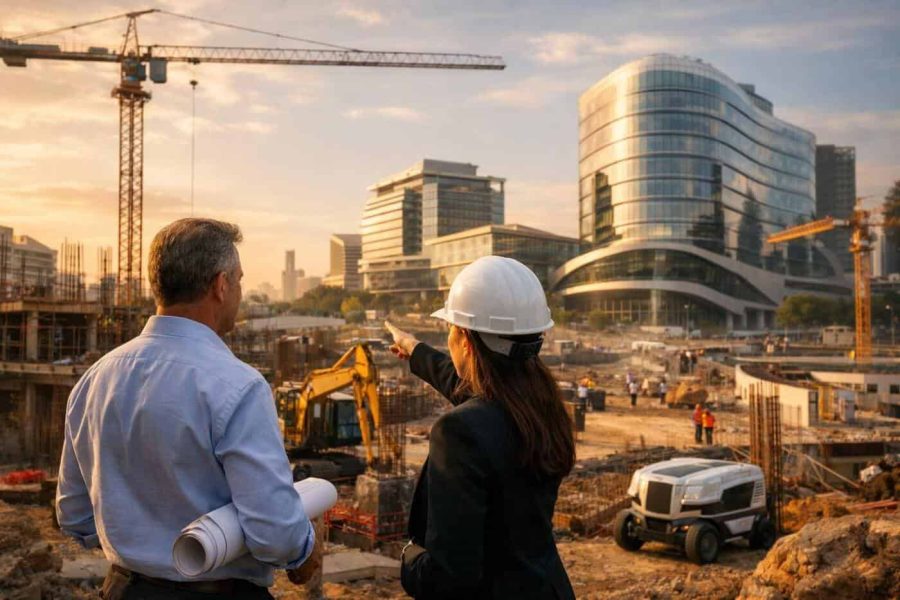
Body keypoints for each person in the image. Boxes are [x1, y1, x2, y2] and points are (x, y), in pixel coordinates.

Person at [56, 219, 319, 600]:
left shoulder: (95, 379)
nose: (240, 294)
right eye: (240, 281)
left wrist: (142, 540)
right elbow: (275, 534)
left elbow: (75, 517)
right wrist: (304, 549)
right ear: (220, 285)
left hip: (123, 589)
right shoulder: (238, 386)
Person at [385, 256, 576, 600]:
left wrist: (409, 558)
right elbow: (467, 385)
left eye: (450, 329)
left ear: (465, 341)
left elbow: (450, 578)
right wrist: (415, 350)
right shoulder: (542, 408)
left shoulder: (458, 432)